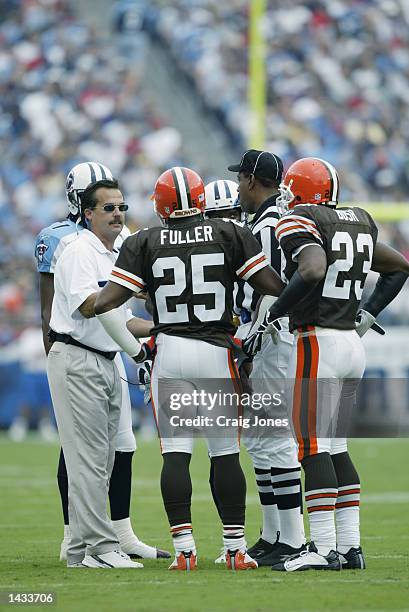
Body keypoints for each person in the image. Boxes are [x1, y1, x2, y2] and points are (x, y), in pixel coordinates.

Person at [94, 166, 285, 571]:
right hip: (217, 350)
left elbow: (104, 304)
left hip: (171, 351)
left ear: (160, 206)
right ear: (201, 200)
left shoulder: (144, 241)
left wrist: (138, 348)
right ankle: (235, 548)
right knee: (225, 453)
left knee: (176, 455)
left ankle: (184, 550)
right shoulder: (229, 233)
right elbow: (273, 286)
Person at [245, 156, 409, 571]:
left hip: (316, 340)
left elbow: (313, 268)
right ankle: (350, 547)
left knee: (312, 447)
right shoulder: (358, 220)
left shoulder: (297, 218)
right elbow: (399, 267)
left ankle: (321, 547)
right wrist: (367, 314)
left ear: (298, 190)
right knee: (336, 447)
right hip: (351, 345)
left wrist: (277, 310)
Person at [35, 162, 169, 561]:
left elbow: (124, 317)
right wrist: (137, 340)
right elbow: (93, 305)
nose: (117, 214)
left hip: (105, 357)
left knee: (107, 456)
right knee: (90, 460)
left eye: (121, 206)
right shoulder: (77, 250)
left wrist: (163, 326)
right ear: (87, 213)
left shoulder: (117, 249)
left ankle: (78, 548)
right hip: (77, 357)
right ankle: (101, 546)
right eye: (107, 208)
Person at [226, 150, 305, 566]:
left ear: (254, 180)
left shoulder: (271, 224)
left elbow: (272, 290)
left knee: (274, 437)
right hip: (265, 336)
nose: (238, 185)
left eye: (241, 178)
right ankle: (273, 533)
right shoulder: (264, 221)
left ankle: (293, 539)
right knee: (260, 441)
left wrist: (252, 340)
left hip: (271, 337)